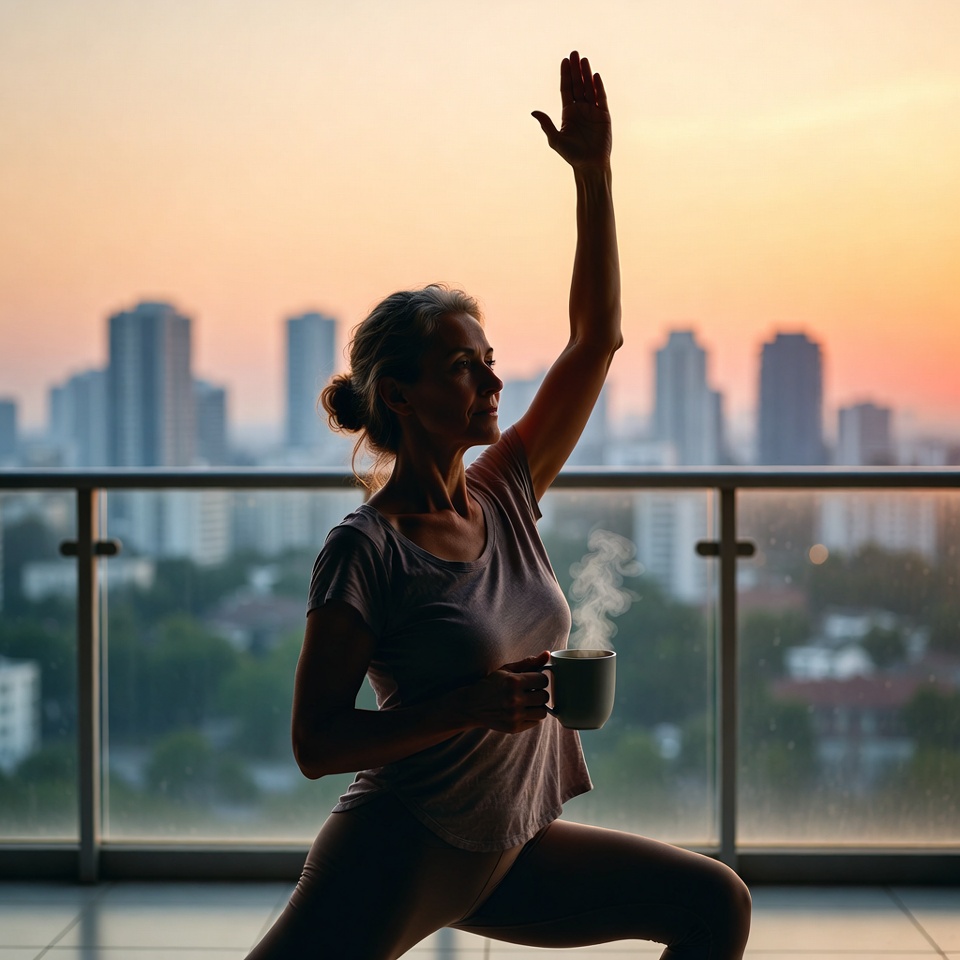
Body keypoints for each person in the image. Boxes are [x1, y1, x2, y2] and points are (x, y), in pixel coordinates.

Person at [246, 51, 751, 960]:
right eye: (462, 366)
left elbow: (596, 339)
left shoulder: (507, 488)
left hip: (511, 843)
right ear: (400, 395)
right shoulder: (366, 550)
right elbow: (316, 743)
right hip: (400, 850)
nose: (492, 380)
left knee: (713, 904)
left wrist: (594, 173)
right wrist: (468, 705)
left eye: (487, 359)